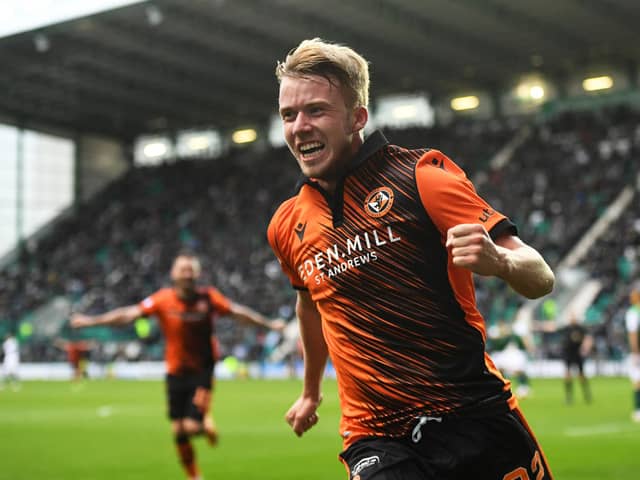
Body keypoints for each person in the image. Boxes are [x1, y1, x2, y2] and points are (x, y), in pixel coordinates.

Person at [267, 38, 556, 479]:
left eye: (317, 111)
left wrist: (499, 261)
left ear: (357, 117)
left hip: (474, 416)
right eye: (289, 115)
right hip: (375, 436)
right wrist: (310, 391)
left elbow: (541, 278)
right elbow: (311, 304)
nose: (299, 126)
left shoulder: (421, 177)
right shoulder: (287, 226)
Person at [71, 252, 285, 480]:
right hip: (175, 371)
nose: (187, 273)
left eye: (190, 269)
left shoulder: (209, 298)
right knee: (178, 430)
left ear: (197, 274)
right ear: (173, 274)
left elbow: (238, 313)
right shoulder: (163, 300)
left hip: (202, 369)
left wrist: (268, 324)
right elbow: (129, 314)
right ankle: (194, 476)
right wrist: (92, 321)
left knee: (192, 427)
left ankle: (204, 422)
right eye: (182, 269)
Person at [625, 287, 640, 422]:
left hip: (638, 352)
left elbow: (633, 334)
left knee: (637, 381)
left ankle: (638, 410)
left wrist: (635, 353)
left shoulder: (633, 313)